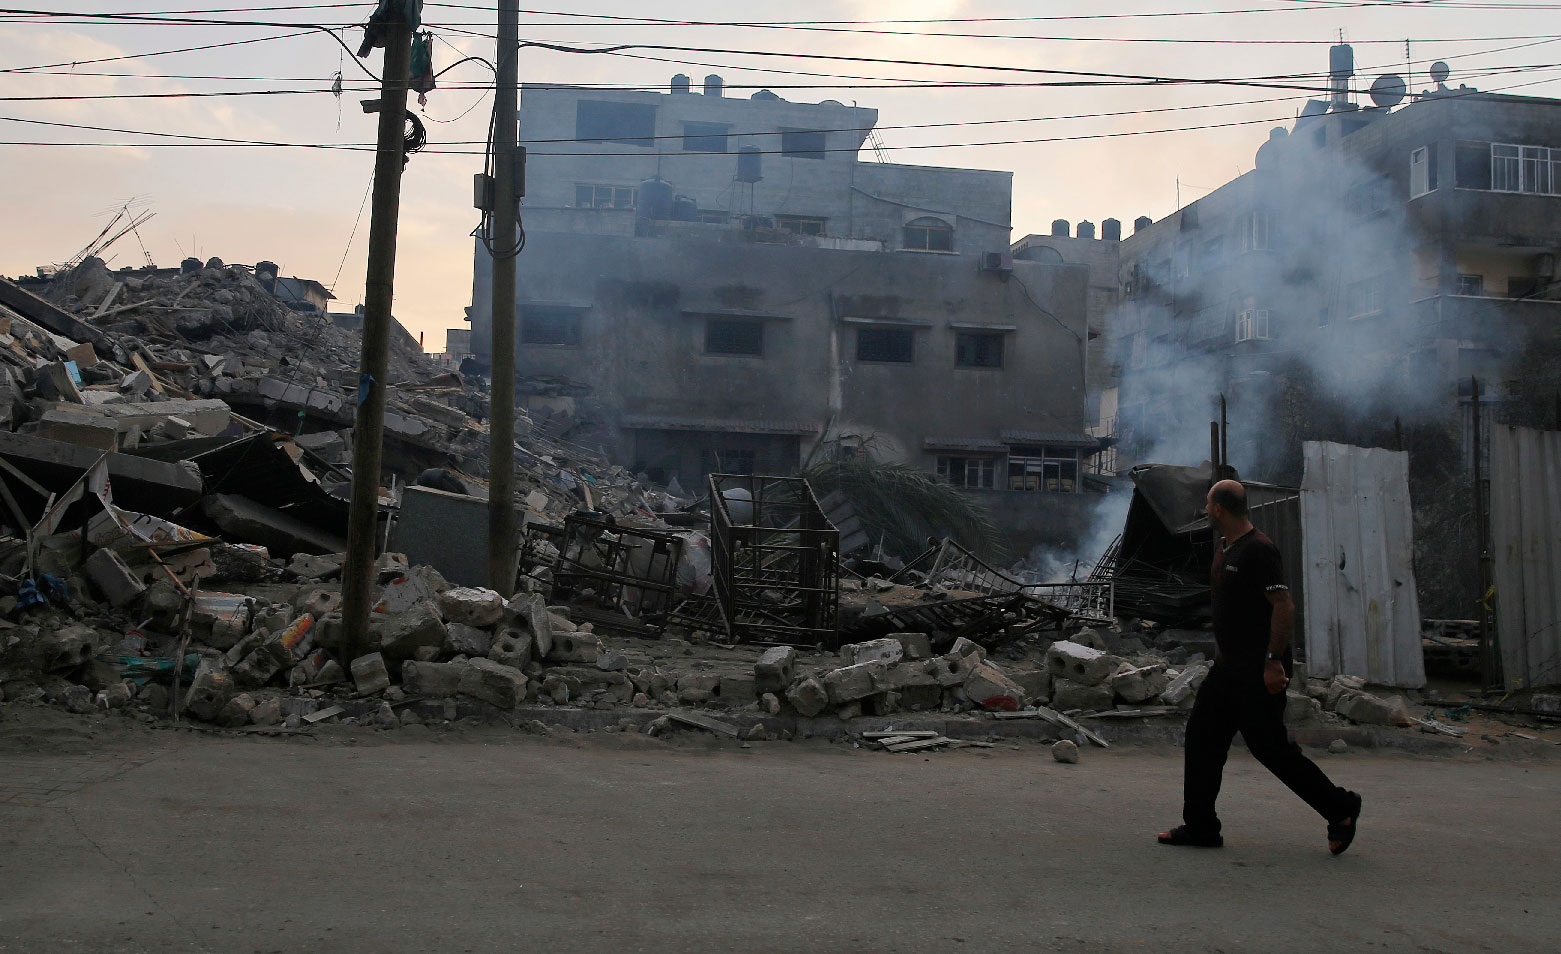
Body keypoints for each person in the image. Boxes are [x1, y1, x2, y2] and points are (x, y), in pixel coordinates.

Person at [1158, 479, 1362, 854]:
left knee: (1270, 749)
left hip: (1258, 669)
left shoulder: (1258, 550)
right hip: (1228, 668)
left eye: (1207, 505)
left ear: (1219, 509)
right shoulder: (1225, 547)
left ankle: (1341, 807)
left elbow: (1283, 606)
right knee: (1203, 737)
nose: (1204, 511)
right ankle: (1201, 827)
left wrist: (1272, 662)